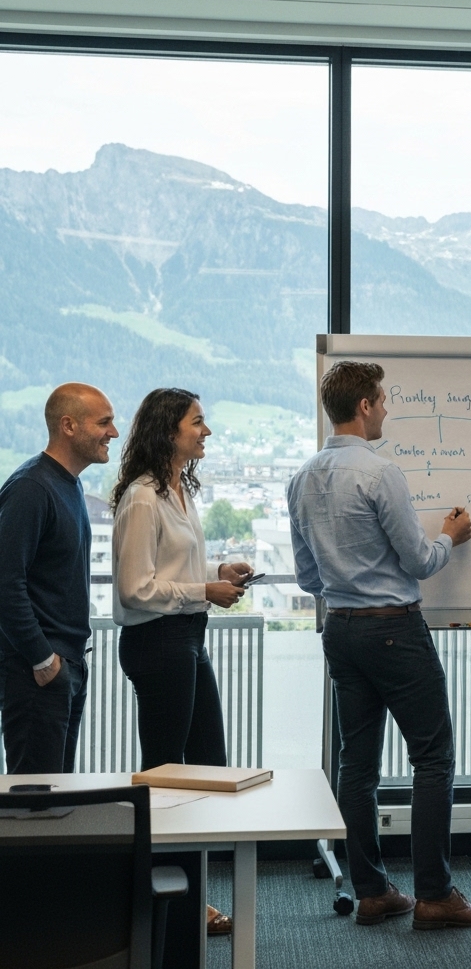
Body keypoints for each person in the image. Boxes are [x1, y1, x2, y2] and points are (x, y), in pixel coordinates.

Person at [287, 360, 471, 931]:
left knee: (357, 764)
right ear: (363, 406)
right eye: (382, 400)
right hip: (394, 630)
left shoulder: (301, 478)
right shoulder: (381, 475)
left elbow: (308, 578)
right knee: (433, 758)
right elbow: (420, 561)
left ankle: (373, 891)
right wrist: (449, 537)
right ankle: (434, 895)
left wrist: (346, 575)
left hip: (342, 631)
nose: (386, 410)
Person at [111, 387, 252, 936]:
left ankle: (187, 900)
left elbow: (171, 568)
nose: (207, 431)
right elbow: (135, 589)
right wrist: (204, 591)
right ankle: (167, 907)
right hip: (159, 642)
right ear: (170, 431)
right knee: (170, 778)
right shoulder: (144, 496)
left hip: (186, 638)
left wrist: (220, 570)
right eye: (198, 422)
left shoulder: (178, 490)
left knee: (205, 766)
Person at [0, 383, 118, 773]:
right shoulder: (31, 488)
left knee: (56, 797)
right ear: (68, 426)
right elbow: (5, 582)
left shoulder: (68, 483)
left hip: (62, 666)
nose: (113, 433)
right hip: (37, 672)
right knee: (35, 809)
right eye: (104, 422)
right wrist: (42, 658)